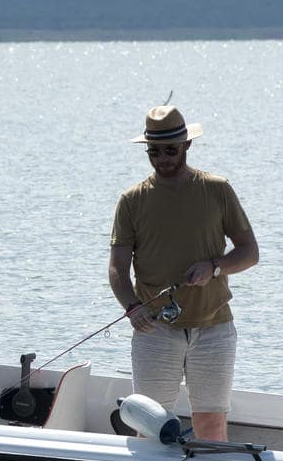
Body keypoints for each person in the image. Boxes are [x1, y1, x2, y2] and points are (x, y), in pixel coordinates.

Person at [106, 105, 258, 441]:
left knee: (211, 426)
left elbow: (250, 253)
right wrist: (132, 307)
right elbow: (117, 269)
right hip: (154, 331)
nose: (162, 159)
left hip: (214, 328)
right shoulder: (131, 200)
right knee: (150, 427)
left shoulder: (217, 189)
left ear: (186, 146)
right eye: (154, 151)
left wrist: (215, 267)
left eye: (170, 150)